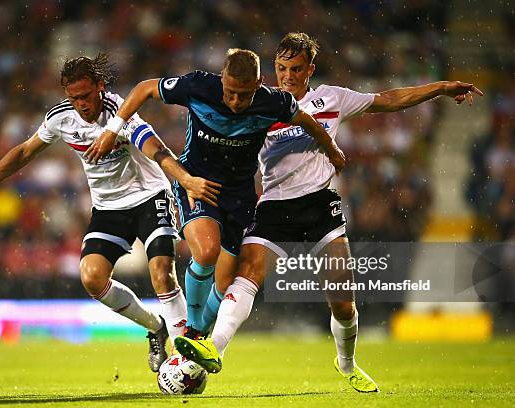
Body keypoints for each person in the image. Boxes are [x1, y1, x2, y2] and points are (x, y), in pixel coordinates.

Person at [173, 32, 484, 392]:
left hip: (320, 205)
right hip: (273, 204)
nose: (288, 76)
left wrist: (441, 87)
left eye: (296, 69)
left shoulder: (331, 99)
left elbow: (389, 99)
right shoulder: (258, 104)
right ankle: (215, 347)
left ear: (310, 70)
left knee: (343, 303)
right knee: (249, 274)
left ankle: (347, 362)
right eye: (282, 68)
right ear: (274, 68)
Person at [0, 53, 219, 372]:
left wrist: (184, 179)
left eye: (86, 96)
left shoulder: (121, 112)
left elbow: (157, 150)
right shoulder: (61, 118)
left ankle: (183, 357)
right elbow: (24, 151)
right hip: (108, 208)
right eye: (74, 98)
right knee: (91, 278)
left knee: (161, 269)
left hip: (149, 196)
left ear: (100, 87)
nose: (82, 105)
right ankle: (156, 327)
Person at [83, 48, 346, 341]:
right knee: (206, 252)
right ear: (222, 78)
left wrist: (332, 149)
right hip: (197, 182)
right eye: (230, 92)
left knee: (225, 284)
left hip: (240, 196)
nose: (235, 102)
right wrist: (113, 128)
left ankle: (200, 333)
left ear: (258, 85)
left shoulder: (274, 102)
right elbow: (145, 89)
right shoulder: (198, 86)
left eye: (243, 95)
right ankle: (191, 333)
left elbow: (307, 120)